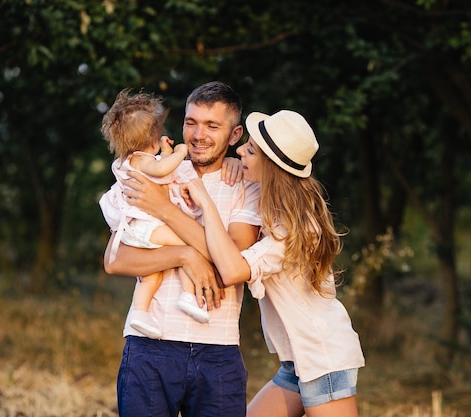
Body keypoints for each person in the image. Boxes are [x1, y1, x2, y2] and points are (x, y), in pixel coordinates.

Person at [180, 109, 365, 417]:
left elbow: (232, 270)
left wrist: (205, 203)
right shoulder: (275, 210)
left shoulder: (293, 230)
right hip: (297, 362)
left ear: (271, 166)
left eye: (249, 149)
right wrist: (233, 164)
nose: (239, 151)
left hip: (322, 357)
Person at [103, 82, 261, 417]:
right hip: (150, 345)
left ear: (234, 135)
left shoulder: (247, 187)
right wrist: (184, 255)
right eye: (192, 122)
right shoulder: (155, 172)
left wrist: (165, 210)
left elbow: (231, 264)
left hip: (218, 353)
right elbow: (116, 260)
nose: (199, 134)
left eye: (212, 126)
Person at [99, 89, 222, 337]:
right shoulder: (141, 162)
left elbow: (160, 169)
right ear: (152, 141)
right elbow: (163, 168)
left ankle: (140, 313)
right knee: (191, 245)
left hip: (137, 230)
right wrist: (179, 152)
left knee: (152, 274)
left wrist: (166, 155)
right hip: (147, 227)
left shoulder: (130, 163)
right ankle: (188, 295)